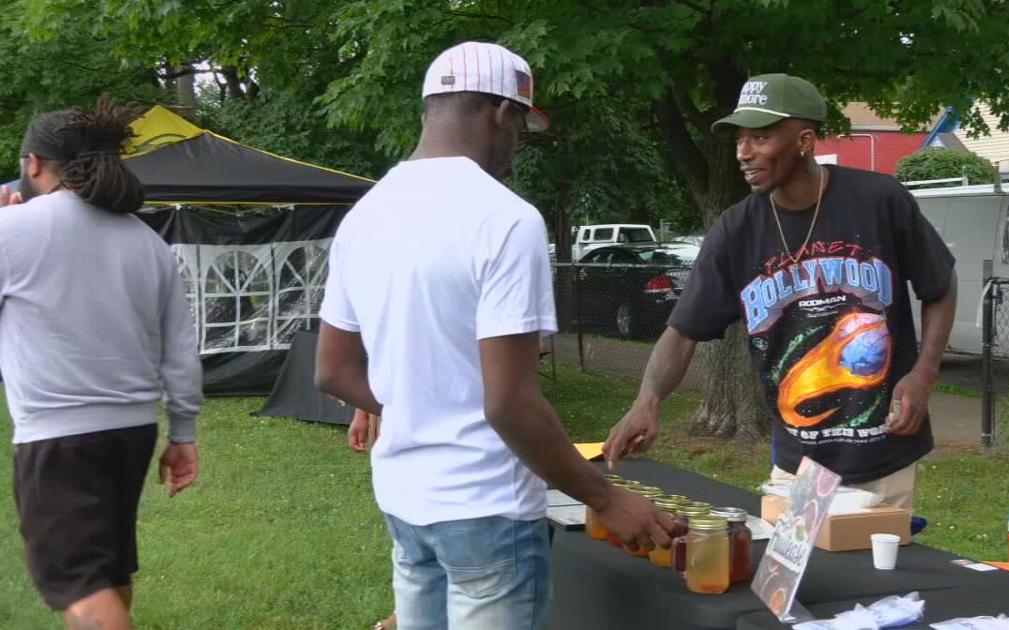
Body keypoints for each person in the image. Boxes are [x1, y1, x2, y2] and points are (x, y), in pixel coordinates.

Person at [315, 42, 673, 630]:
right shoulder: (505, 219)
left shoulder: (365, 215)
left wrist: (413, 408)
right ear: (502, 113)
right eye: (521, 130)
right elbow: (510, 403)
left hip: (404, 500)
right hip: (487, 507)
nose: (517, 148)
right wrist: (608, 499)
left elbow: (332, 371)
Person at [604, 74, 957, 509]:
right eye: (739, 139)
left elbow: (940, 284)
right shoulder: (736, 230)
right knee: (790, 558)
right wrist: (647, 401)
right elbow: (683, 330)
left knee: (872, 557)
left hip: (882, 453)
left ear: (804, 141)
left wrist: (923, 374)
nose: (743, 153)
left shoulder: (879, 201)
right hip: (796, 463)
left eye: (760, 138)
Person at [0, 97, 202, 630]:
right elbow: (180, 347)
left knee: (80, 582)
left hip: (59, 438)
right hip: (132, 431)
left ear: (33, 164)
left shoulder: (10, 230)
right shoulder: (145, 240)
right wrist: (183, 433)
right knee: (108, 567)